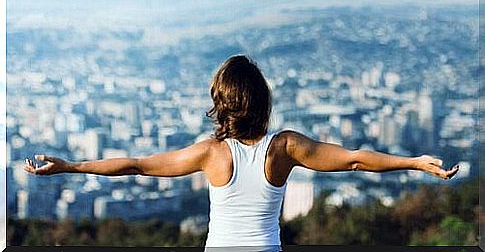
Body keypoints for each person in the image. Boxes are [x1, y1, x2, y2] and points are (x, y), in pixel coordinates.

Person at [24, 55, 459, 251]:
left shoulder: (211, 154)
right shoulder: (285, 148)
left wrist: (72, 166)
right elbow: (355, 159)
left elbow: (137, 164)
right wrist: (415, 163)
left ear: (222, 102)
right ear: (262, 101)